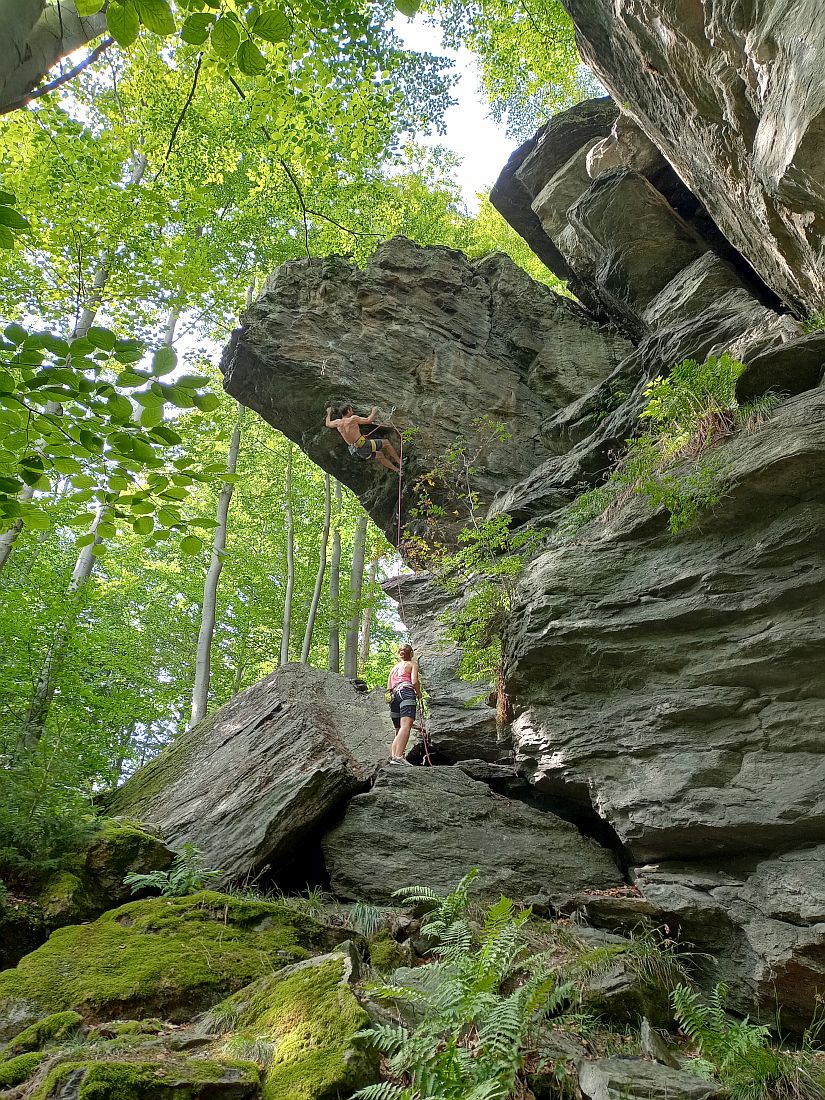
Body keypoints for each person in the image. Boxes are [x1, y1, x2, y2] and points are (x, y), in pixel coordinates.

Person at [324, 404, 401, 473]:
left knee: (380, 455)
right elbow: (369, 420)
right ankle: (400, 462)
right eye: (351, 410)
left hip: (358, 451)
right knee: (386, 443)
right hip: (364, 445)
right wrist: (374, 411)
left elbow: (327, 424)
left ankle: (397, 470)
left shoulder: (338, 423)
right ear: (348, 411)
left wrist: (328, 413)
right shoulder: (352, 419)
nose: (353, 412)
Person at [386, 643, 421, 765]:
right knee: (406, 726)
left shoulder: (393, 669)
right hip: (406, 692)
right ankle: (399, 756)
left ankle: (394, 757)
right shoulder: (412, 664)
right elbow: (414, 681)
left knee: (399, 728)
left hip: (393, 697)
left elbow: (388, 687)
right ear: (411, 654)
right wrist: (419, 693)